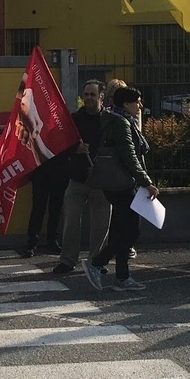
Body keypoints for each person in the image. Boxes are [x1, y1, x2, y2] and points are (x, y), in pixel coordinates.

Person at [82, 86, 159, 292]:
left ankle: (123, 277)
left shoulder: (115, 119)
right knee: (132, 230)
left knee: (119, 230)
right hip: (123, 183)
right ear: (126, 104)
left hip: (115, 183)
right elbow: (130, 156)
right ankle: (97, 263)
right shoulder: (121, 123)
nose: (140, 105)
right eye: (138, 101)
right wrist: (146, 181)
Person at [54, 80, 114, 275]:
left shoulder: (110, 120)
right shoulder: (73, 120)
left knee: (101, 224)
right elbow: (60, 146)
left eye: (92, 95)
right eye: (86, 94)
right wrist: (75, 149)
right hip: (77, 178)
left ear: (101, 97)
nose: (88, 98)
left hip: (102, 179)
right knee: (70, 221)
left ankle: (96, 261)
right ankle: (67, 260)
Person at [20, 78, 68, 257]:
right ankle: (32, 242)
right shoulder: (36, 118)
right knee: (38, 207)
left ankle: (52, 242)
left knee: (56, 208)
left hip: (59, 170)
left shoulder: (65, 122)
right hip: (40, 169)